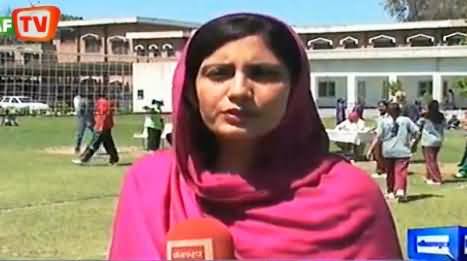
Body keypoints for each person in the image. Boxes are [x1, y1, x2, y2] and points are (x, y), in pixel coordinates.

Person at [108, 13, 401, 260]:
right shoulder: (151, 183)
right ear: (191, 91)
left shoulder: (350, 196)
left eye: (262, 74)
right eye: (218, 73)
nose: (238, 91)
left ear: (295, 89)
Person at [367, 103, 420, 202]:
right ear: (399, 111)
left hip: (388, 150)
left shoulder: (383, 122)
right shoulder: (406, 120)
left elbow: (378, 137)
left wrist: (371, 149)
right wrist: (414, 143)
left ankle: (390, 191)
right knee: (401, 171)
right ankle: (400, 190)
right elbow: (417, 132)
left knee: (390, 172)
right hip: (402, 150)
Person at [72, 94, 119, 165]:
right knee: (108, 143)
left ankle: (84, 159)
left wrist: (100, 126)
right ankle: (114, 159)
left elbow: (103, 116)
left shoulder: (102, 103)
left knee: (94, 143)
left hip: (101, 127)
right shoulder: (105, 102)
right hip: (106, 126)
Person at [417, 100, 446, 185]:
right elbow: (445, 125)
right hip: (438, 140)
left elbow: (418, 125)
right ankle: (429, 177)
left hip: (428, 141)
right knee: (431, 159)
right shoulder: (441, 116)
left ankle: (437, 179)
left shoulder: (425, 116)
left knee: (430, 160)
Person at [368, 100, 389, 178]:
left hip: (385, 138)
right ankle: (379, 170)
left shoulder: (388, 116)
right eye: (379, 106)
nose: (380, 108)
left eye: (382, 106)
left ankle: (385, 170)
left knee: (383, 155)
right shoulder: (379, 116)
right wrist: (373, 129)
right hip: (378, 137)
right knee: (377, 154)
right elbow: (378, 126)